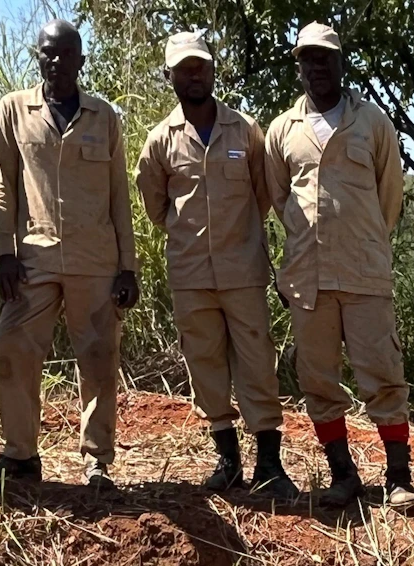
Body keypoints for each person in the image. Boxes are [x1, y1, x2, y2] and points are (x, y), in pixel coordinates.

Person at [264, 22, 414, 507]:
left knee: (382, 371)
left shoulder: (372, 122)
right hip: (307, 279)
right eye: (307, 59)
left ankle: (398, 477)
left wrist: (364, 240)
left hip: (364, 274)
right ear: (299, 66)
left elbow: (388, 198)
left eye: (324, 58)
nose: (317, 67)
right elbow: (278, 198)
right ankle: (343, 476)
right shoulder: (280, 131)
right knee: (317, 380)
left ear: (340, 62)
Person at [136, 32, 296, 501]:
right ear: (169, 76)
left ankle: (269, 462)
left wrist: (236, 235)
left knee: (257, 362)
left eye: (201, 66)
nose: (194, 75)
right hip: (191, 276)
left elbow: (262, 193)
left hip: (243, 270)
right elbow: (156, 205)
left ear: (212, 69)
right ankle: (227, 460)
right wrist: (191, 237)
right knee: (204, 363)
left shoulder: (244, 130)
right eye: (184, 69)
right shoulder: (159, 142)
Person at [0, 19, 140, 488]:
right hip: (34, 255)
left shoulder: (104, 117)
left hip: (95, 260)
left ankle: (97, 461)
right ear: (38, 58)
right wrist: (4, 254)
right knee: (11, 343)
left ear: (80, 59)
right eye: (47, 54)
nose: (56, 62)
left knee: (98, 356)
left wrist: (127, 267)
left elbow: (119, 197)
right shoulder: (14, 110)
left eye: (65, 53)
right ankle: (21, 455)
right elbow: (3, 188)